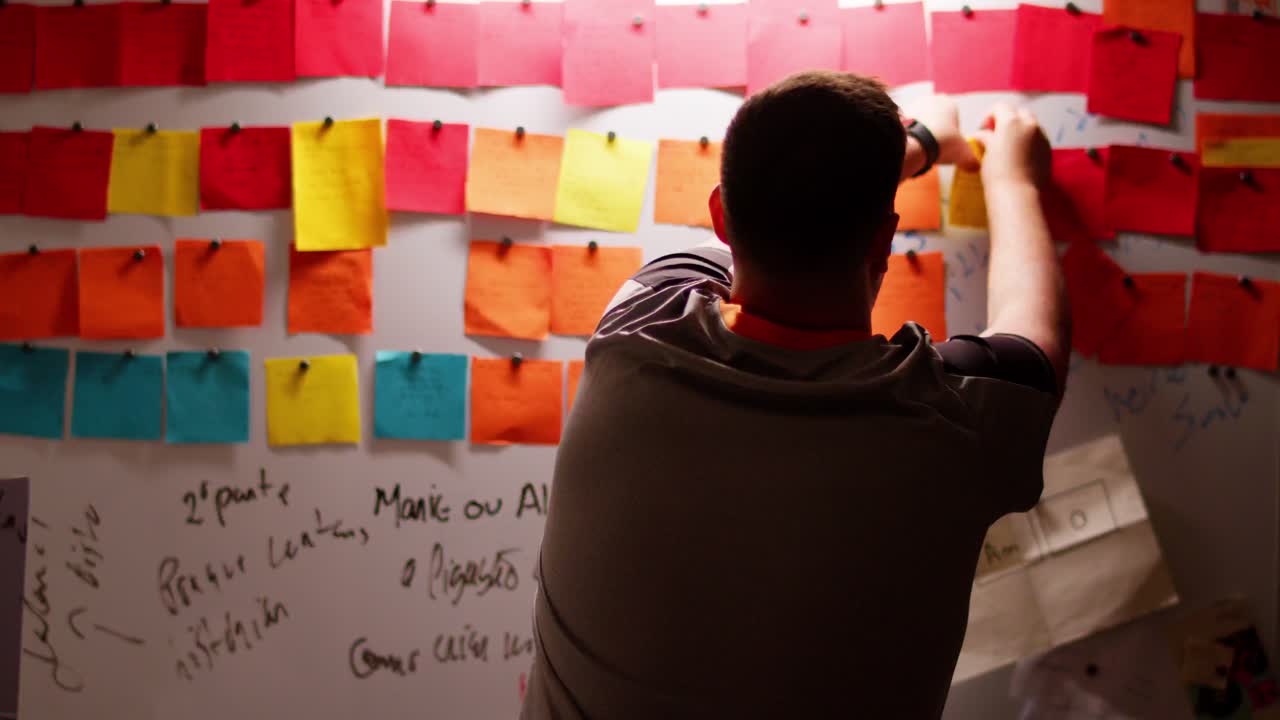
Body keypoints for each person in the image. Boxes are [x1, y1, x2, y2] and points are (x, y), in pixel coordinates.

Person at [523, 71, 1068, 720]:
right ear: (883, 240)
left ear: (722, 213)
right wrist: (1015, 179)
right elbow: (1036, 333)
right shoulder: (956, 426)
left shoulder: (637, 326)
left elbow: (769, 220)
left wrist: (917, 143)